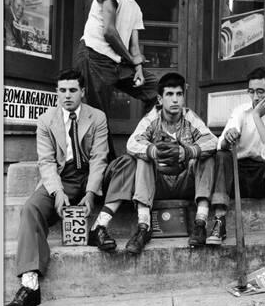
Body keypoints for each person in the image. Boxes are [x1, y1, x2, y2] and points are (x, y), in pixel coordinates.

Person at [4, 69, 109, 306]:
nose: (67, 95)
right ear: (57, 92)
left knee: (117, 173)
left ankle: (100, 228)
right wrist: (58, 192)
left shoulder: (97, 117)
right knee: (31, 208)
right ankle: (30, 285)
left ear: (83, 92)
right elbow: (46, 162)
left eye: (73, 90)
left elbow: (99, 158)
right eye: (62, 90)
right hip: (62, 178)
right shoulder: (46, 120)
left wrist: (92, 193)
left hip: (91, 176)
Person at [88, 72, 218, 254]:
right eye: (169, 94)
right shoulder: (151, 119)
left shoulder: (190, 118)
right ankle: (143, 227)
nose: (175, 100)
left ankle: (200, 223)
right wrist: (153, 151)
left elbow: (213, 141)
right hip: (158, 185)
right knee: (143, 156)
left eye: (179, 94)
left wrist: (188, 151)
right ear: (159, 98)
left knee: (207, 155)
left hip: (185, 182)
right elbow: (132, 143)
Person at [75, 0, 159, 159]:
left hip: (117, 63)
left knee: (156, 89)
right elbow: (109, 31)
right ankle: (105, 171)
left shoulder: (136, 9)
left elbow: (135, 48)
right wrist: (132, 61)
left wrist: (138, 69)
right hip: (94, 56)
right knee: (97, 120)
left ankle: (141, 142)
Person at [206, 66, 265, 245]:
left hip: (261, 179)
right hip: (236, 178)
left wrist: (256, 116)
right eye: (251, 92)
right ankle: (219, 221)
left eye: (261, 92)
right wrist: (228, 137)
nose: (255, 97)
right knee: (223, 155)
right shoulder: (240, 111)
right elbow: (220, 144)